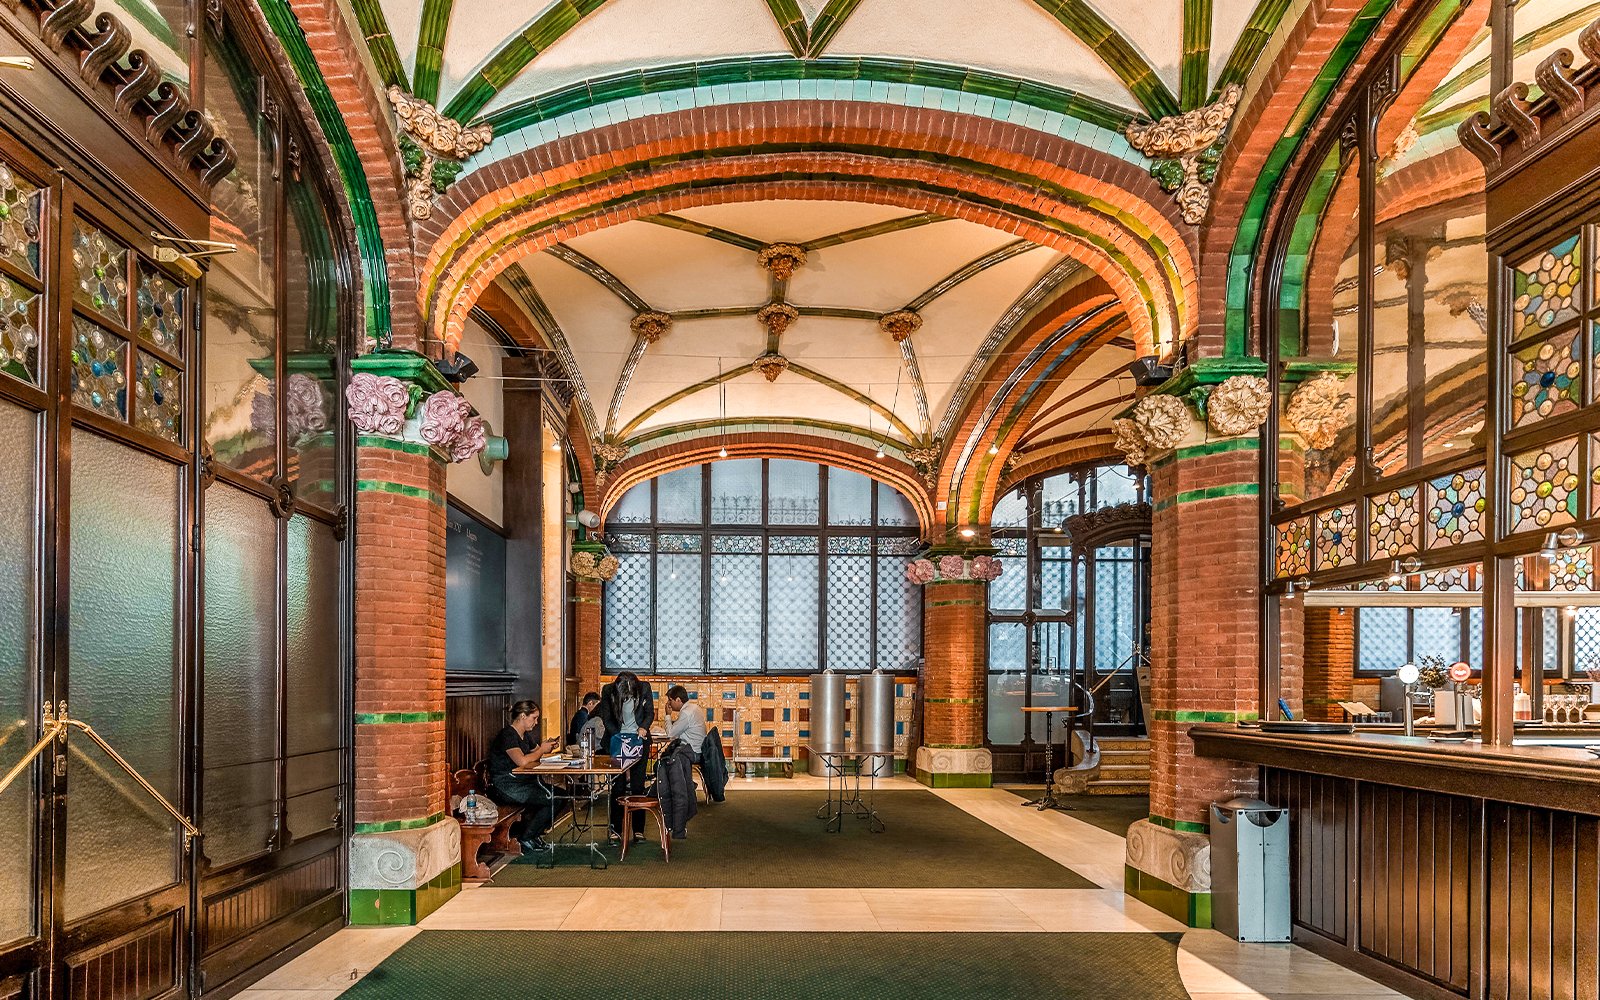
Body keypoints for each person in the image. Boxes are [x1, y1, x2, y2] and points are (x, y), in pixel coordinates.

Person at [484, 700, 560, 852]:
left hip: (522, 782)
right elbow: (522, 760)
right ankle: (527, 837)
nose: (536, 722)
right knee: (554, 798)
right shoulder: (508, 735)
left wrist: (547, 747)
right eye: (534, 718)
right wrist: (541, 750)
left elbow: (537, 753)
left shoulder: (525, 735)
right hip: (507, 786)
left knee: (560, 795)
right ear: (523, 716)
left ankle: (534, 834)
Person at [597, 671, 654, 840]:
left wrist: (643, 727)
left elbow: (649, 713)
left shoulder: (645, 688)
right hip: (616, 740)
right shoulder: (608, 691)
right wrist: (621, 738)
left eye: (631, 694)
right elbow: (606, 719)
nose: (628, 696)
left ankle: (638, 830)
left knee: (638, 786)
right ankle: (616, 830)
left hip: (639, 740)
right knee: (617, 787)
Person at [663, 685, 706, 762]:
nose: (668, 703)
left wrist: (668, 715)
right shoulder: (695, 707)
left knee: (665, 761)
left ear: (678, 700)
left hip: (693, 753)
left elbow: (670, 734)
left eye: (670, 700)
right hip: (701, 752)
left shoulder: (686, 713)